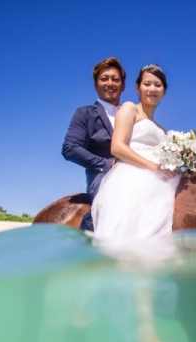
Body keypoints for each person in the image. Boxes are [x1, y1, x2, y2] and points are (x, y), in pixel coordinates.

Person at [91, 64, 184, 342]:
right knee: (141, 251)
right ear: (138, 88)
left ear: (164, 91)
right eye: (147, 84)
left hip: (163, 181)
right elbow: (117, 147)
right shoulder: (129, 109)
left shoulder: (164, 130)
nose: (152, 89)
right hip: (135, 181)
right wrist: (154, 166)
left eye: (158, 85)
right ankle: (146, 339)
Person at [62, 57, 127, 231]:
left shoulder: (132, 114)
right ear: (96, 85)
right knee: (109, 203)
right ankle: (87, 245)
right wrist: (106, 164)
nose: (110, 83)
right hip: (102, 175)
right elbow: (70, 148)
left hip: (135, 172)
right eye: (104, 79)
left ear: (123, 86)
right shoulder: (84, 114)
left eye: (115, 79)